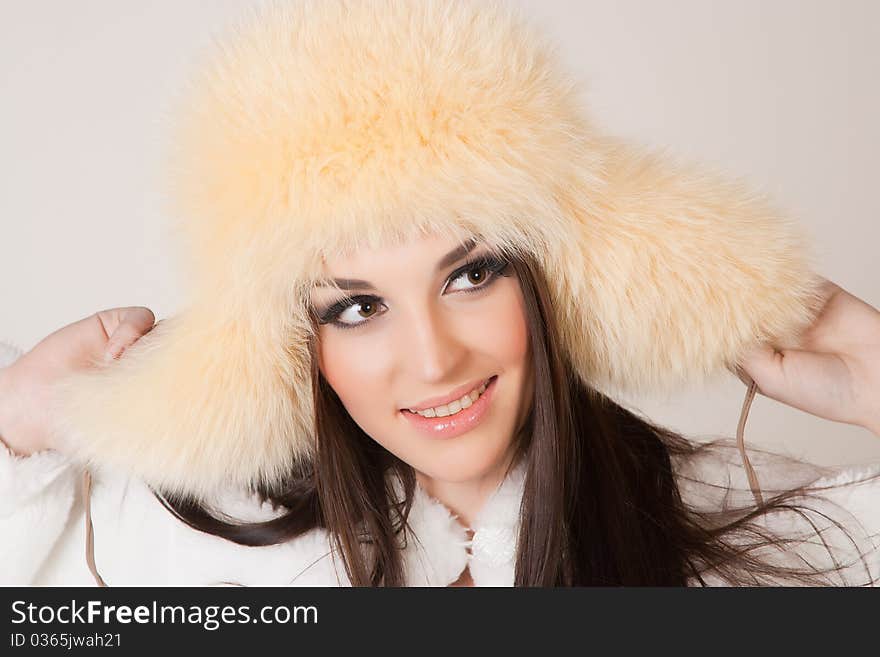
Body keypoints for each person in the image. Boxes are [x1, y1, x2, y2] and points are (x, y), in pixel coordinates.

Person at [1, 0, 879, 586]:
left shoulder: (738, 512)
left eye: (471, 273)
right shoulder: (174, 535)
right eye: (356, 306)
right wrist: (14, 426)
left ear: (545, 274)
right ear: (294, 343)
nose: (434, 358)